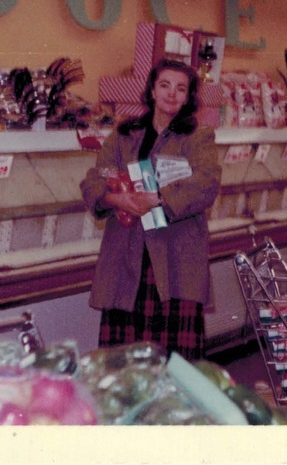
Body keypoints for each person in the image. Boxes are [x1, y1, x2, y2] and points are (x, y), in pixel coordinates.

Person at [80, 59, 221, 360]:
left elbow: (206, 184)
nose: (172, 94)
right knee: (122, 363)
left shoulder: (198, 137)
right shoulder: (124, 134)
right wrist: (115, 199)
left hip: (175, 259)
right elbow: (94, 180)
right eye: (165, 85)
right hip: (127, 256)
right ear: (152, 91)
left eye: (181, 88)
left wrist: (157, 199)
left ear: (189, 97)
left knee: (175, 363)